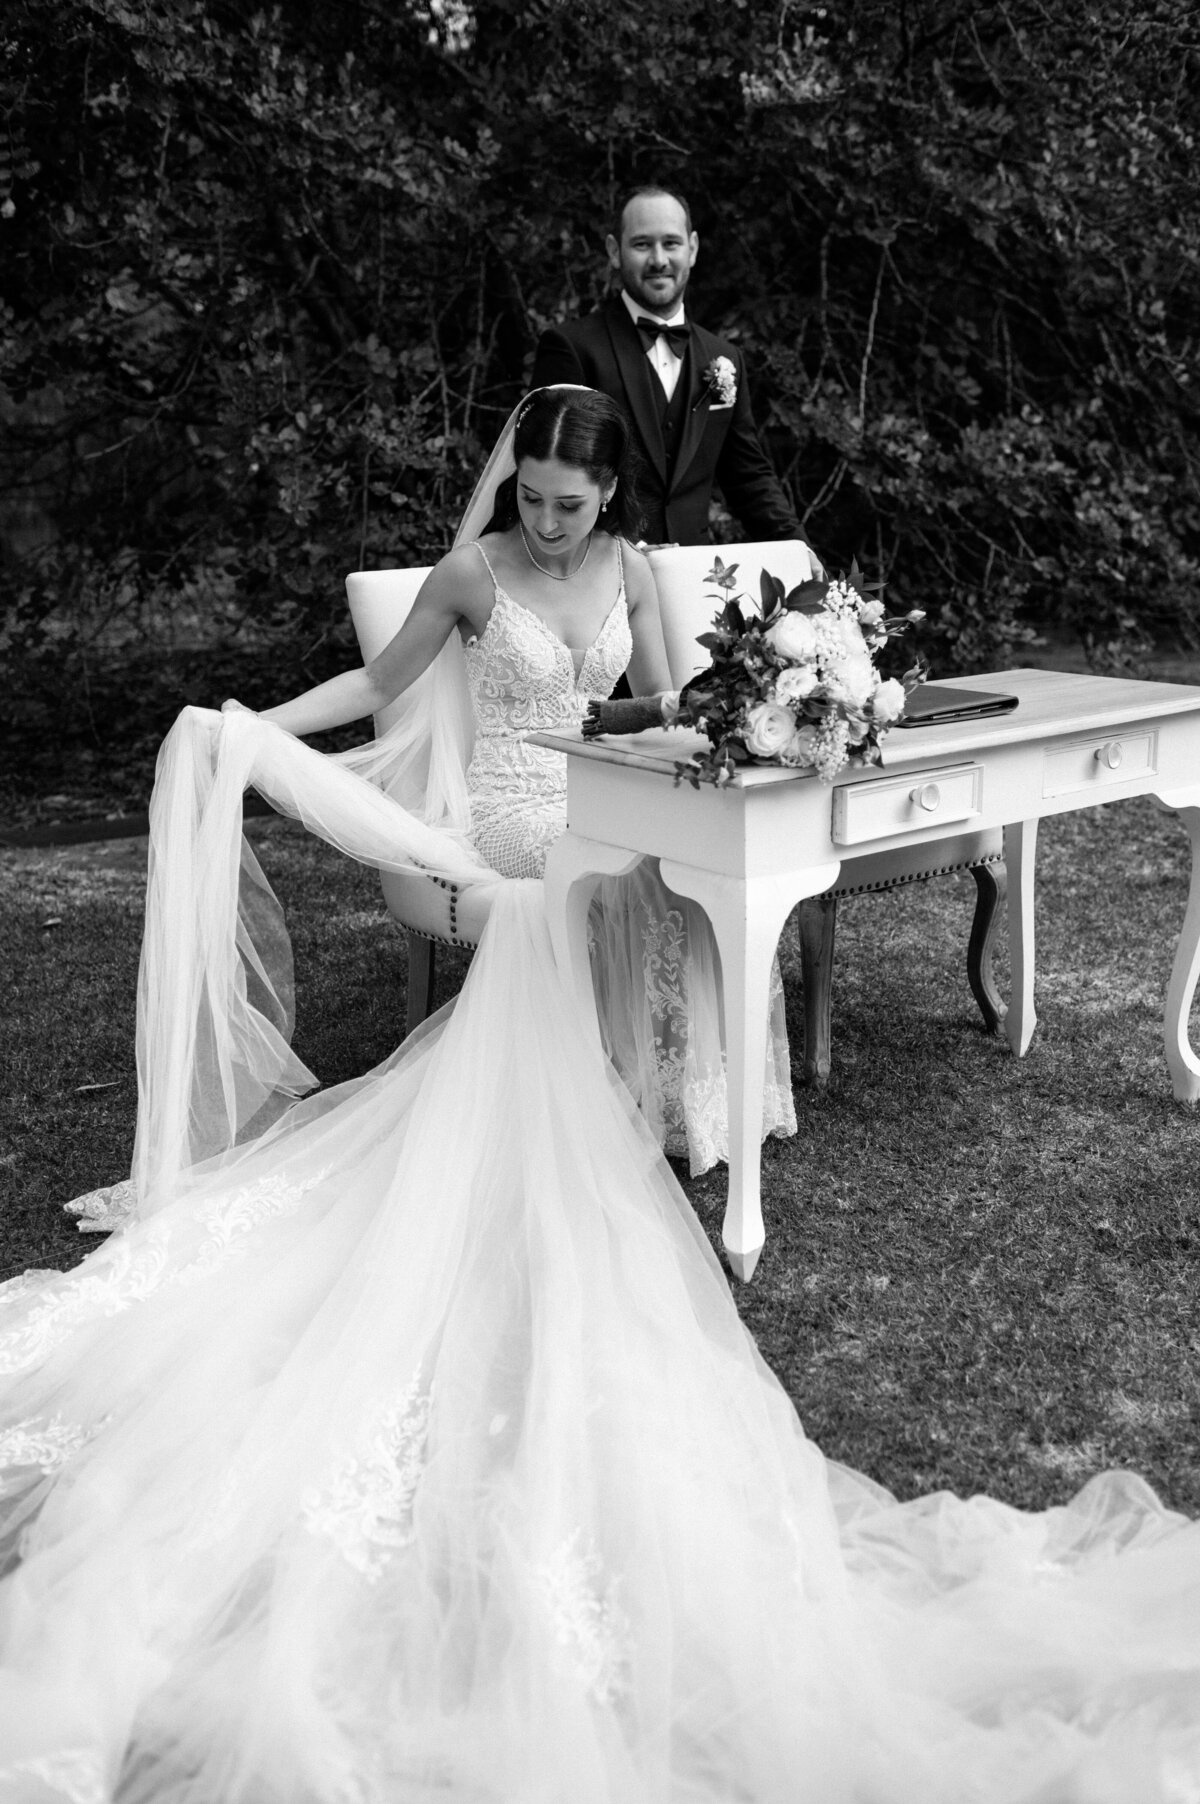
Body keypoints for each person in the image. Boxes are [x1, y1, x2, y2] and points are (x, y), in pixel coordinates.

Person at [0, 394, 1198, 1801]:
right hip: (514, 812)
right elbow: (382, 690)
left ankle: (646, 1096)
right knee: (579, 877)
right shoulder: (473, 573)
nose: (547, 521)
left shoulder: (631, 574)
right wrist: (252, 726)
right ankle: (576, 1112)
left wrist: (768, 700)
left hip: (618, 786)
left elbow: (685, 699)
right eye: (534, 500)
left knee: (668, 854)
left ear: (611, 499)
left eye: (573, 504)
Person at [530, 185, 802, 546]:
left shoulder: (723, 358)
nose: (659, 259)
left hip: (696, 582)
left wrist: (803, 559)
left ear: (693, 248)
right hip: (599, 579)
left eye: (671, 243)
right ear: (614, 251)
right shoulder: (573, 349)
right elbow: (551, 479)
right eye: (642, 245)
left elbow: (749, 479)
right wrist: (628, 550)